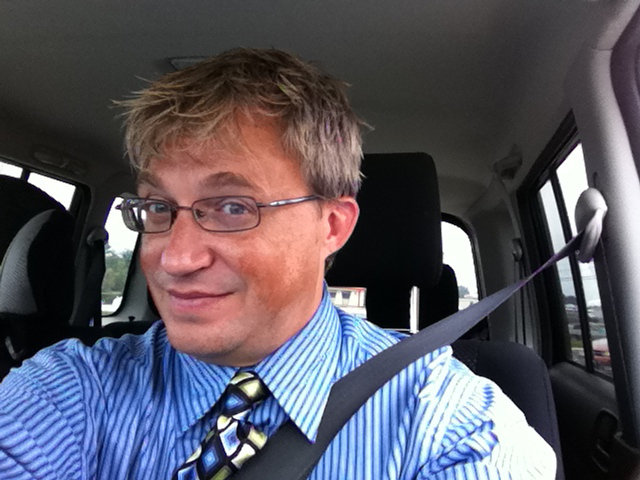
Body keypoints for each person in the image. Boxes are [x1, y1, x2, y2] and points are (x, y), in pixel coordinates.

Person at [0, 48, 555, 479]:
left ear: (332, 226)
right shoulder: (72, 388)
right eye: (158, 208)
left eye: (233, 207)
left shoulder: (447, 421)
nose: (175, 257)